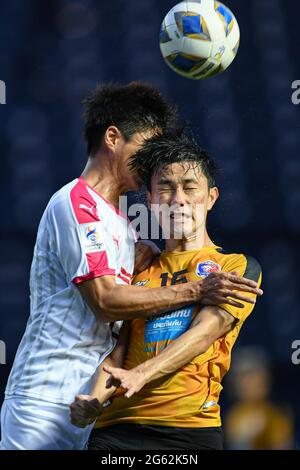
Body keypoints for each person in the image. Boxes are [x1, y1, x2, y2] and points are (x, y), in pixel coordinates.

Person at [0, 84, 260, 451]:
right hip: (46, 397)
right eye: (147, 146)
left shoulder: (124, 225)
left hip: (94, 406)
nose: (152, 159)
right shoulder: (74, 203)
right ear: (112, 137)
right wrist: (197, 290)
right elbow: (106, 302)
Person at [69, 133, 263, 451]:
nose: (178, 199)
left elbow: (204, 333)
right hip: (117, 430)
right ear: (150, 200)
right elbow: (116, 353)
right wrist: (91, 400)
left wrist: (141, 374)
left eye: (189, 187)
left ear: (211, 197)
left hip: (189, 431)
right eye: (165, 188)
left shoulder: (235, 266)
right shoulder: (136, 267)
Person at [224, 347, 294, 450]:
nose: (248, 383)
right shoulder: (233, 416)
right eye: (243, 377)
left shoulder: (278, 414)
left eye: (254, 376)